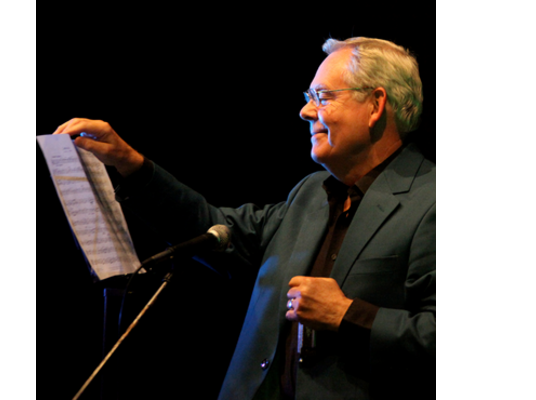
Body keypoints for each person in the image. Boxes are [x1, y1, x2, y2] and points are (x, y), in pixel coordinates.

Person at [53, 37, 435, 399]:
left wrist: (349, 315)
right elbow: (214, 229)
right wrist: (129, 164)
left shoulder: (434, 201)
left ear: (375, 104)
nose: (305, 111)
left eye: (322, 96)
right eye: (308, 98)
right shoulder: (311, 194)